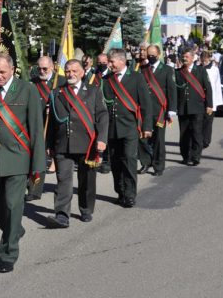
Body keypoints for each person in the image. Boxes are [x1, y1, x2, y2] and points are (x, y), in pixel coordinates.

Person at [0, 54, 46, 273]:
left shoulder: (27, 90)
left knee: (14, 205)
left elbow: (35, 129)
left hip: (17, 158)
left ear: (12, 70)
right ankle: (15, 230)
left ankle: (7, 253)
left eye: (2, 72)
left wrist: (37, 165)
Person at [47, 60, 108, 227]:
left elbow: (102, 116)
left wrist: (102, 139)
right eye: (67, 71)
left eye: (74, 71)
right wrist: (49, 145)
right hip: (63, 143)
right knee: (63, 180)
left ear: (82, 73)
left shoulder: (93, 91)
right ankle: (61, 214)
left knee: (86, 180)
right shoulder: (57, 92)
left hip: (86, 144)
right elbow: (51, 122)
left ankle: (86, 209)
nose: (70, 74)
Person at [102, 49, 152, 208]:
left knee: (129, 160)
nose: (109, 65)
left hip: (130, 127)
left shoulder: (136, 77)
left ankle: (130, 195)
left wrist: (147, 126)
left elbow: (145, 104)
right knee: (115, 162)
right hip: (111, 128)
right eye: (109, 62)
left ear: (121, 61)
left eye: (112, 62)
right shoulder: (106, 79)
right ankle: (121, 191)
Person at [26, 55, 65, 202]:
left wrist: (55, 108)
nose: (41, 71)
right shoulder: (32, 83)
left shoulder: (62, 81)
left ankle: (63, 187)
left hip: (57, 125)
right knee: (37, 157)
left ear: (52, 67)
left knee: (60, 160)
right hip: (39, 126)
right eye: (39, 68)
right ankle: (34, 190)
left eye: (45, 68)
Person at [137, 44, 177, 176]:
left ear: (159, 55)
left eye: (153, 55)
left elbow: (171, 90)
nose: (151, 57)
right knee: (142, 138)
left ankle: (158, 166)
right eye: (149, 55)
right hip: (144, 110)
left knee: (158, 140)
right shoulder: (142, 69)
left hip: (160, 110)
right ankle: (146, 162)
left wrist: (171, 109)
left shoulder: (166, 69)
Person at [176, 48, 213, 166]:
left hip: (197, 107)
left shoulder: (200, 71)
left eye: (186, 57)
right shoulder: (178, 72)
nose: (184, 59)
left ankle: (196, 156)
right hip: (183, 107)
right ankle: (186, 156)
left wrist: (209, 105)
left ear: (192, 58)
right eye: (183, 57)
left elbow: (208, 88)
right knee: (184, 134)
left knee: (197, 132)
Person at [200, 51, 222, 149]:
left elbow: (217, 86)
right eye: (202, 59)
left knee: (208, 121)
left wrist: (216, 102)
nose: (204, 61)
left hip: (211, 100)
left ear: (209, 59)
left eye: (206, 59)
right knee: (200, 121)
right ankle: (199, 139)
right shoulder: (198, 69)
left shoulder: (214, 70)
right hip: (200, 99)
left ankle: (206, 140)